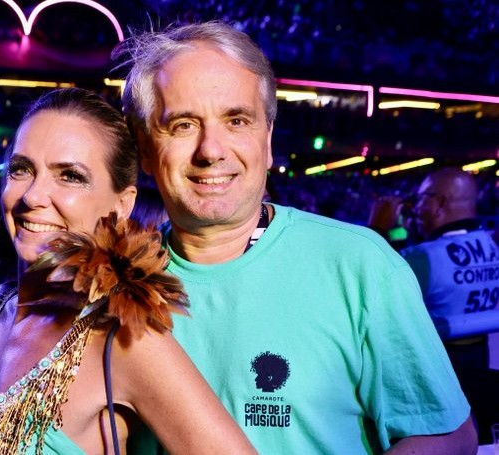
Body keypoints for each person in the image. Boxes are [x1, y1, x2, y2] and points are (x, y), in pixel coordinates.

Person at [113, 21, 477, 453]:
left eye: (236, 120)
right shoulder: (118, 282)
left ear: (267, 140)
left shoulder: (357, 265)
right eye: (183, 125)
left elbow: (448, 434)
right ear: (145, 147)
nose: (211, 150)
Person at [0, 88, 257, 454]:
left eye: (70, 176)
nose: (33, 196)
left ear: (121, 205)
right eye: (21, 169)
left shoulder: (124, 335)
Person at [372, 167, 499, 444]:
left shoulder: (422, 257)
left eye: (420, 200)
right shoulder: (493, 245)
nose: (416, 209)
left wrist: (378, 228)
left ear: (439, 203)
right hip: (480, 362)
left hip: (435, 375)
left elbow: (366, 284)